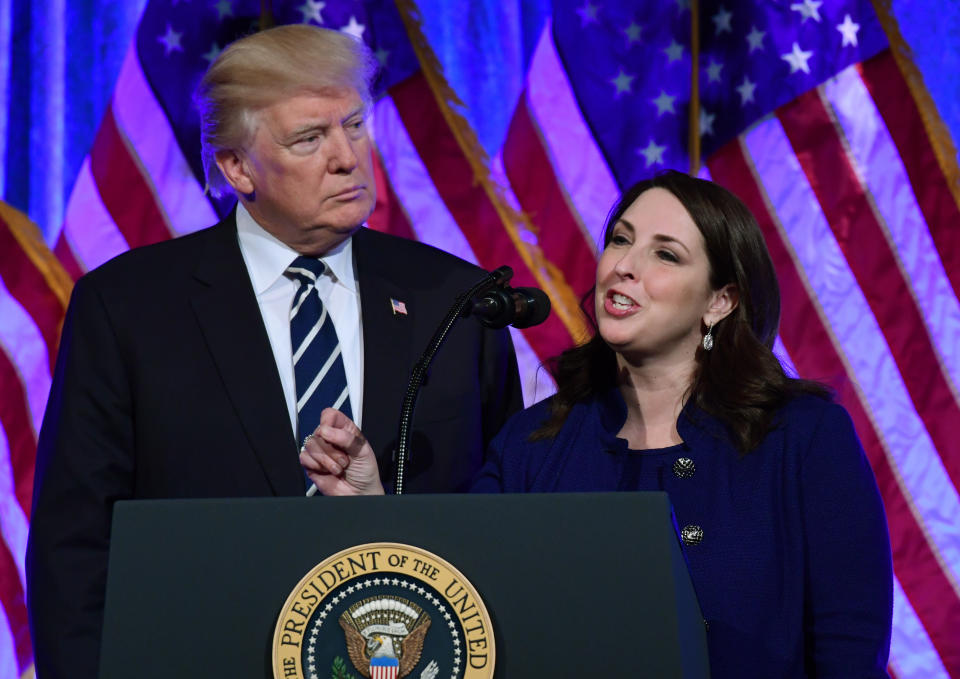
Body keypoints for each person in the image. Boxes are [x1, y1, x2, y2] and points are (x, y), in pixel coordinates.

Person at [26, 25, 522, 679]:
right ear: (236, 168)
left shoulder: (455, 300)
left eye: (353, 125)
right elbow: (75, 547)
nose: (348, 156)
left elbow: (507, 518)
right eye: (310, 138)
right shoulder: (128, 308)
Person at [303, 171, 893, 677]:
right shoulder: (534, 446)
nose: (624, 267)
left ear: (720, 301)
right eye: (620, 240)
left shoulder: (801, 437)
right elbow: (463, 604)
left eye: (665, 254)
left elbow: (849, 645)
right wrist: (371, 502)